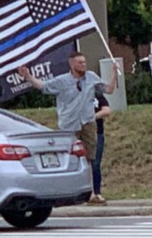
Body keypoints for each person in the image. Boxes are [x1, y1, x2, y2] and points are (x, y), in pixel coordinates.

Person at [19, 52, 121, 181]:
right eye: (80, 62)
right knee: (69, 159)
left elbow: (109, 89)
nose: (83, 65)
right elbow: (43, 86)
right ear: (72, 64)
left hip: (88, 123)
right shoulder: (62, 81)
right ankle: (71, 185)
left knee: (91, 159)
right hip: (69, 126)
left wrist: (114, 72)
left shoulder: (91, 77)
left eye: (84, 62)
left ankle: (91, 189)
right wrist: (28, 76)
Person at [88, 93, 112, 204]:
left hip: (97, 133)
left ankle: (97, 192)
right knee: (84, 164)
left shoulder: (98, 96)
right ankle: (86, 192)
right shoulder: (78, 94)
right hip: (82, 132)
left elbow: (106, 110)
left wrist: (93, 117)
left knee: (95, 163)